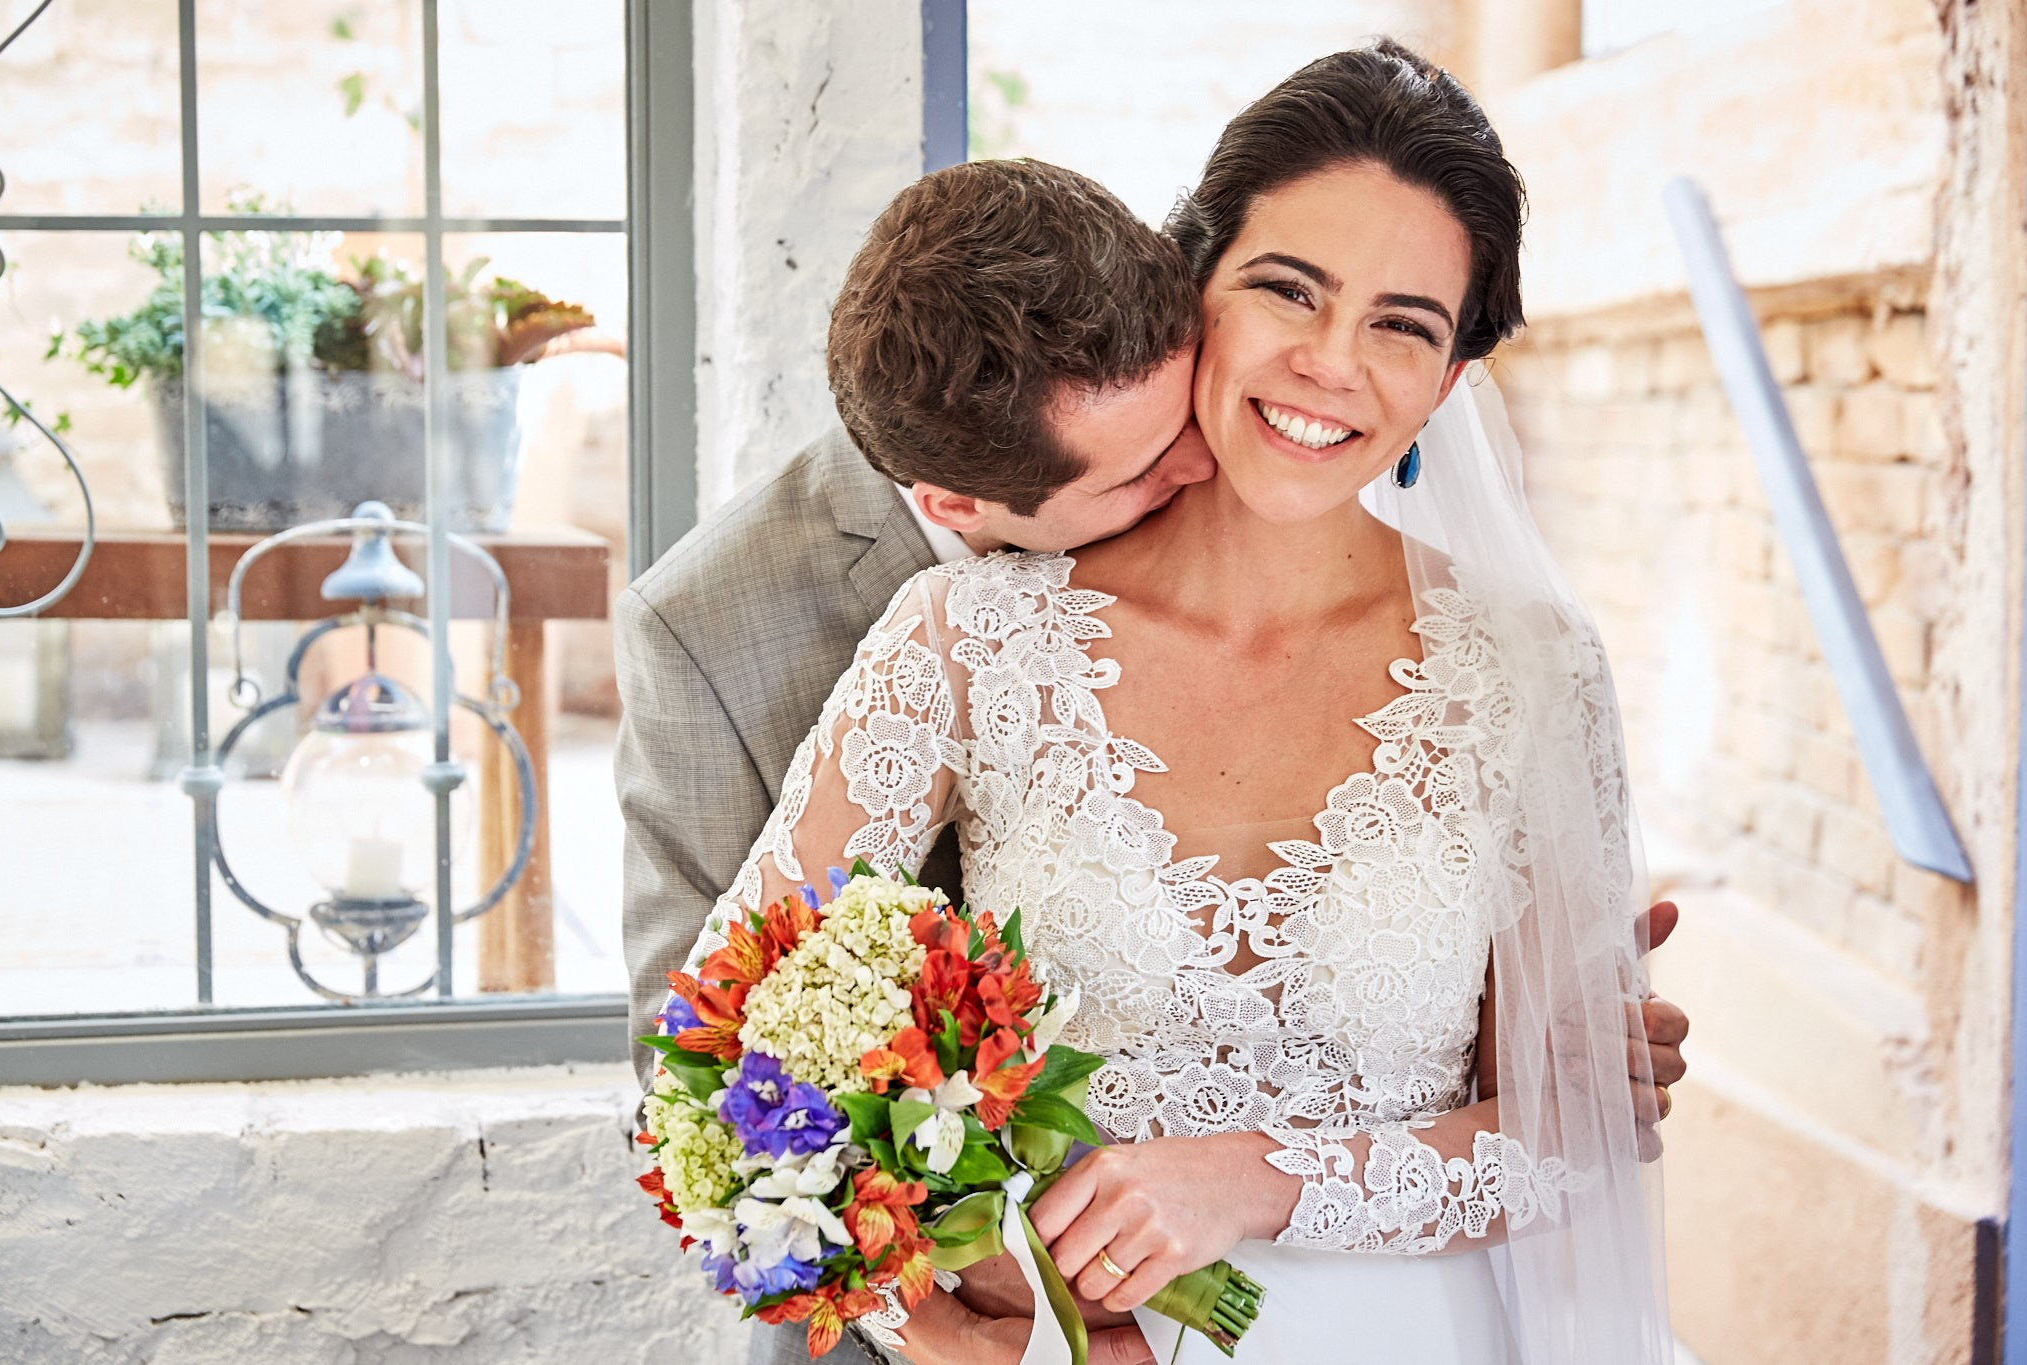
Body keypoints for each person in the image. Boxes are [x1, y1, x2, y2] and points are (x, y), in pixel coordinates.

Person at [623, 64, 1687, 1362]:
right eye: (1290, 287)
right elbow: (720, 1075)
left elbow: (1575, 1142)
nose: (1330, 363)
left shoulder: (1535, 668)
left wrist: (1254, 1176)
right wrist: (942, 1336)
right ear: (1201, 282)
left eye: (1404, 324)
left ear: (1455, 375)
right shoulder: (969, 638)